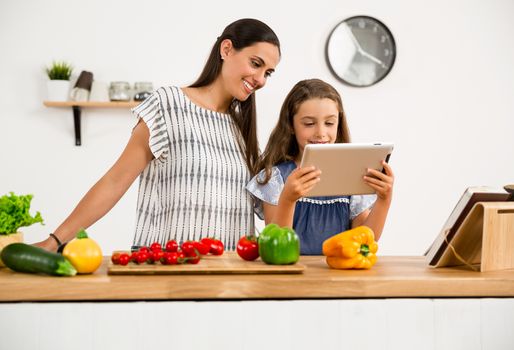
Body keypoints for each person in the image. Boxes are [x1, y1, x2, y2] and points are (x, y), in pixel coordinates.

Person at [35, 18, 281, 252]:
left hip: (230, 277)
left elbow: (269, 210)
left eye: (268, 73)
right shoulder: (168, 104)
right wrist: (54, 241)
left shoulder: (241, 132)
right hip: (172, 269)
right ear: (226, 49)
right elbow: (115, 181)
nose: (260, 80)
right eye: (256, 64)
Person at [246, 79, 394, 254]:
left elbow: (366, 241)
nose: (321, 133)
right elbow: (276, 244)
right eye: (309, 123)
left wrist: (384, 200)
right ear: (291, 125)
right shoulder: (275, 178)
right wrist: (288, 198)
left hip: (338, 275)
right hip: (290, 277)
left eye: (329, 123)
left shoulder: (351, 177)